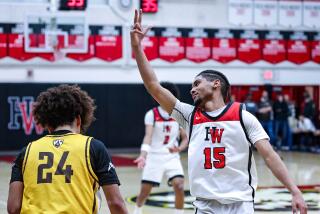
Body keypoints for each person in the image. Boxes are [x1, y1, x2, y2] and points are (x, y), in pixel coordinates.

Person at [131, 9, 307, 214]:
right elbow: (153, 86)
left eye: (197, 83)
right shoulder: (190, 116)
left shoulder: (243, 116)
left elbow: (270, 156)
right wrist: (137, 47)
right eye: (191, 85)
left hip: (239, 204)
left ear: (216, 84)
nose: (192, 89)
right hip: (205, 205)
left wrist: (294, 191)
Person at [7, 85, 128, 214]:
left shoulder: (26, 152)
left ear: (47, 124)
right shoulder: (93, 147)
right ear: (79, 120)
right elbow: (116, 203)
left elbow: (13, 208)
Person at [133, 82, 188, 214]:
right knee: (144, 191)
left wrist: (179, 148)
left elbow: (185, 138)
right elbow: (148, 136)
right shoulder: (152, 114)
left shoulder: (178, 115)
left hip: (172, 157)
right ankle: (137, 210)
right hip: (154, 157)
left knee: (179, 185)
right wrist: (143, 155)